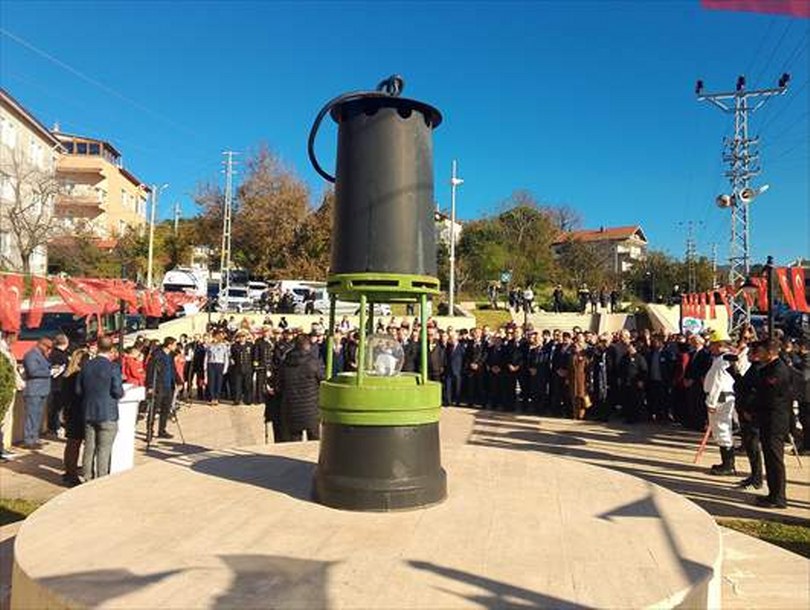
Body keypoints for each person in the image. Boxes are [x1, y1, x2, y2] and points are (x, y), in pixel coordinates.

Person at [76, 337, 124, 480]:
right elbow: (117, 391)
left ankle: (87, 476)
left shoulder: (86, 366)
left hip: (89, 411)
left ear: (97, 347)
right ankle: (101, 478)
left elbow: (78, 390)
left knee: (89, 447)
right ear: (111, 349)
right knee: (104, 449)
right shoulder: (113, 367)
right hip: (108, 412)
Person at [753, 339, 793, 509]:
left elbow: (769, 396)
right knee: (770, 458)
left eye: (761, 351)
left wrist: (753, 407)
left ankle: (779, 497)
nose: (758, 354)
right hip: (767, 418)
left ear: (770, 353)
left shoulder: (777, 370)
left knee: (775, 459)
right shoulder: (768, 368)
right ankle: (773, 493)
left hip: (774, 419)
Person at [702, 329, 737, 476]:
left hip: (720, 397)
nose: (710, 346)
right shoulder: (720, 359)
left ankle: (728, 465)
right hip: (721, 397)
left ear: (719, 344)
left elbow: (717, 383)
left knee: (722, 429)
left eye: (712, 344)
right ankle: (726, 462)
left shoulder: (723, 360)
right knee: (720, 430)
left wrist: (711, 403)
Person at [279, 334, 324, 441]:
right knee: (314, 441)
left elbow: (280, 383)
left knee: (295, 442)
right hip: (311, 407)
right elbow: (322, 379)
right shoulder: (313, 362)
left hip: (292, 407)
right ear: (308, 345)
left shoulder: (286, 361)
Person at [62, 348, 90, 486]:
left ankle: (70, 470)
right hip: (78, 412)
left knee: (72, 443)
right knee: (75, 444)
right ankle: (71, 473)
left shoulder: (67, 376)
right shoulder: (78, 376)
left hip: (71, 412)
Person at [21, 337, 54, 449]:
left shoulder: (42, 355)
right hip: (33, 390)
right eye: (48, 347)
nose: (49, 350)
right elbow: (33, 371)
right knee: (32, 416)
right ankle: (28, 440)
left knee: (38, 416)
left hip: (42, 390)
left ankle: (34, 438)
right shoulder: (31, 355)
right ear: (41, 344)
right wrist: (49, 372)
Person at [145, 337, 177, 439]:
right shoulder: (157, 355)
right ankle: (149, 431)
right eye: (174, 345)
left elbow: (173, 369)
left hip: (168, 386)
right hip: (158, 386)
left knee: (165, 409)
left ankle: (162, 430)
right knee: (154, 409)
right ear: (169, 345)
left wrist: (178, 380)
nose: (175, 347)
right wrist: (150, 386)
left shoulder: (171, 355)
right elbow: (150, 371)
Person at [46, 333, 70, 436]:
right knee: (57, 408)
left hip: (52, 384)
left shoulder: (51, 354)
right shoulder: (62, 356)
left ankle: (53, 427)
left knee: (53, 408)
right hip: (60, 385)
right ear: (66, 343)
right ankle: (55, 427)